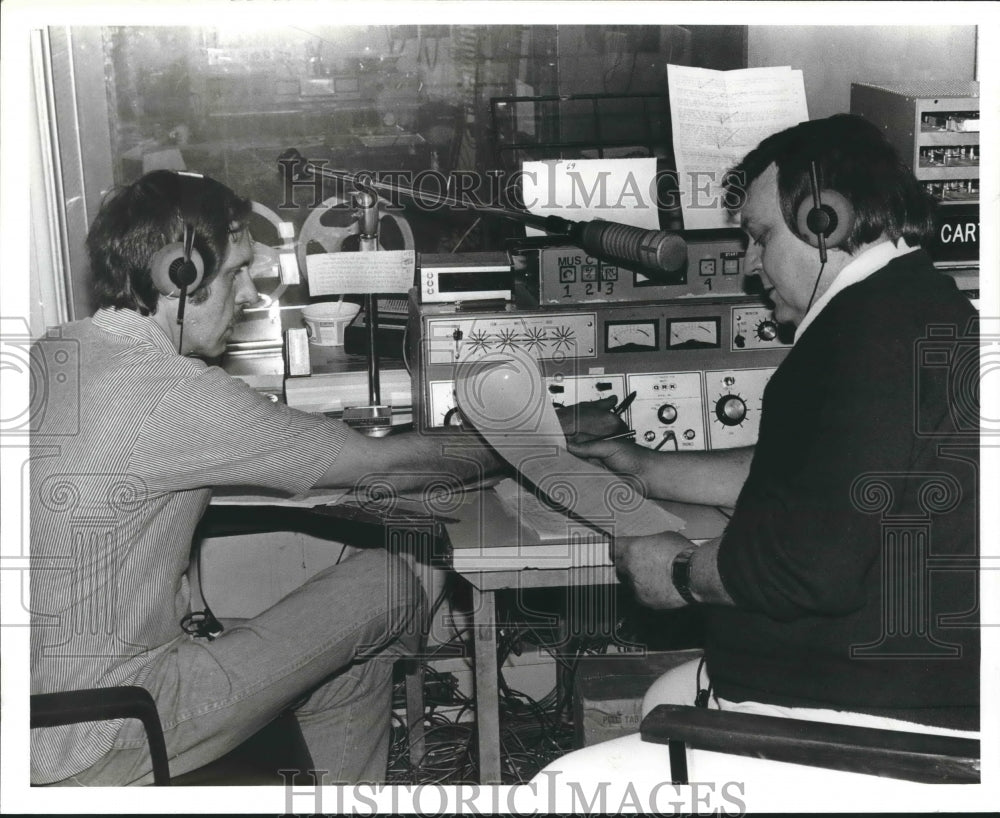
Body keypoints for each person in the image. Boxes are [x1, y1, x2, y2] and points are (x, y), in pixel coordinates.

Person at [537, 114, 979, 800]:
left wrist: (677, 570)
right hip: (899, 685)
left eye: (760, 236)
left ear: (826, 222)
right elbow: (817, 471)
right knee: (665, 692)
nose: (749, 265)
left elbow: (812, 567)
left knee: (561, 788)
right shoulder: (910, 306)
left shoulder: (870, 338)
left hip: (871, 724)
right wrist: (643, 465)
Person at [29, 169, 503, 786]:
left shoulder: (54, 352)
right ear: (181, 278)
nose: (250, 295)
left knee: (348, 661)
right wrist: (532, 438)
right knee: (386, 583)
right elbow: (385, 466)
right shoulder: (172, 395)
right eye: (236, 273)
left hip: (33, 719)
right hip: (107, 734)